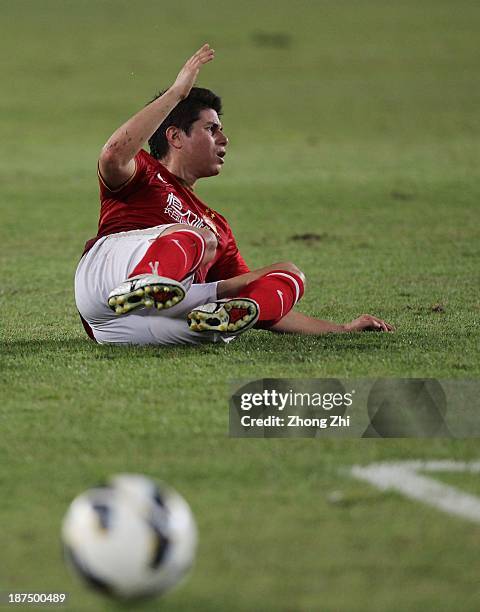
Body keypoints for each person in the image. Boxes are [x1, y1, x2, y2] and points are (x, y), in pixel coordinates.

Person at [75, 44, 393, 346]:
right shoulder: (143, 171)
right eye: (211, 129)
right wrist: (176, 94)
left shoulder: (218, 226)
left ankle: (219, 319)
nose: (224, 139)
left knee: (289, 274)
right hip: (108, 285)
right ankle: (144, 283)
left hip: (151, 323)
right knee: (198, 239)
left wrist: (340, 329)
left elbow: (254, 297)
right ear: (175, 136)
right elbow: (113, 155)